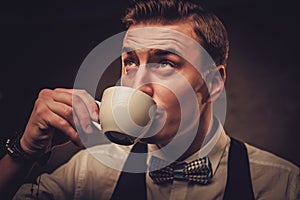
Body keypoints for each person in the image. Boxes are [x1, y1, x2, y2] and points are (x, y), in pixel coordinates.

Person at [0, 0, 299, 199]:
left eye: (164, 63)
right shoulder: (88, 173)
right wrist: (23, 151)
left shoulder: (283, 185)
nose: (138, 85)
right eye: (130, 62)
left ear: (213, 82)